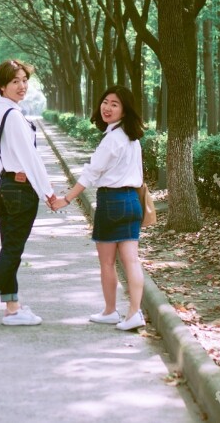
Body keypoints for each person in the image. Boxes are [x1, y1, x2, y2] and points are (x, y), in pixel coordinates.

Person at [0, 59, 57, 328]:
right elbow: (31, 159)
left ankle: (13, 308)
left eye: (24, 80)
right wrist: (49, 193)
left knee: (10, 250)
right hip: (20, 189)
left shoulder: (2, 111)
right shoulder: (14, 116)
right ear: (2, 87)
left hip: (6, 187)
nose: (22, 86)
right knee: (12, 251)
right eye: (15, 82)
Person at [51, 85, 147, 331]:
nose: (107, 107)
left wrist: (67, 199)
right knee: (132, 261)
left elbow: (90, 174)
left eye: (115, 104)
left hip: (112, 202)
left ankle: (110, 311)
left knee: (107, 263)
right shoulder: (133, 139)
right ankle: (134, 312)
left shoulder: (112, 140)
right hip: (133, 202)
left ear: (124, 111)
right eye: (106, 101)